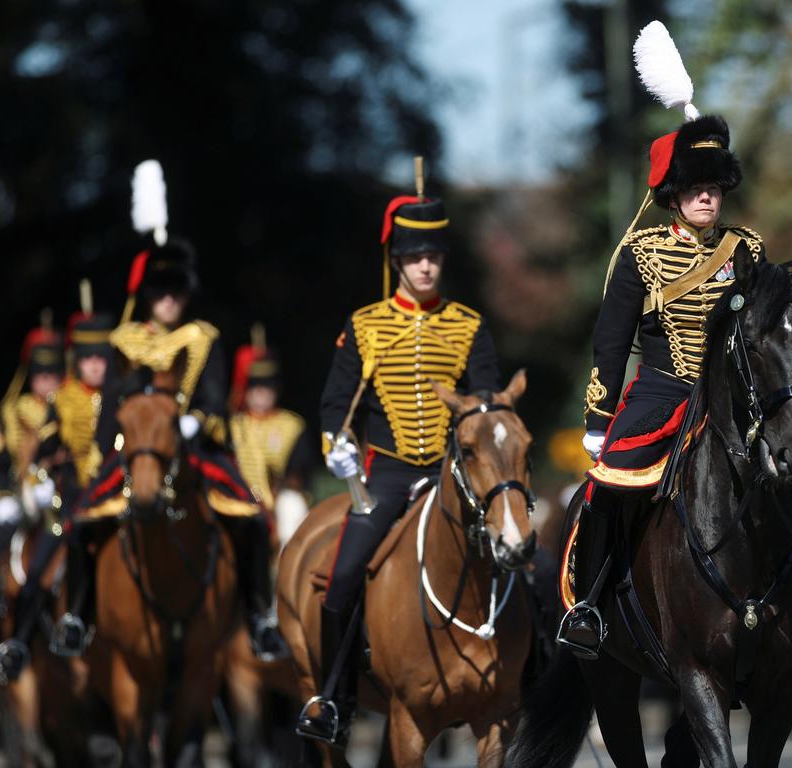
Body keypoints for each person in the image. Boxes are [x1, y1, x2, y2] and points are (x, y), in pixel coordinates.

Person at [557, 112, 792, 658]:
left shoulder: (749, 248)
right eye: (695, 189)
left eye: (714, 188)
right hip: (663, 390)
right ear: (674, 195)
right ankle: (591, 607)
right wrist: (598, 422)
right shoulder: (639, 255)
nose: (707, 199)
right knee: (608, 485)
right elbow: (611, 343)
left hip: (736, 394)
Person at [50, 160, 282, 661]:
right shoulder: (124, 341)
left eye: (177, 290)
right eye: (161, 290)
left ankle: (258, 615)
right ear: (149, 295)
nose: (170, 299)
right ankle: (78, 615)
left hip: (194, 449)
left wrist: (196, 420)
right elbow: (111, 407)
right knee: (80, 522)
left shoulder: (205, 339)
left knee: (253, 519)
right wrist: (106, 454)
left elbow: (216, 398)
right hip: (134, 451)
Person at [296, 189, 499, 746]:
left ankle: (524, 674)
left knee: (514, 560)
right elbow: (337, 403)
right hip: (386, 471)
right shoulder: (365, 326)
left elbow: (485, 404)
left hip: (450, 473)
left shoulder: (467, 325)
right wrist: (336, 444)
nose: (425, 264)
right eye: (414, 256)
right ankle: (334, 698)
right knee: (339, 580)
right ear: (397, 262)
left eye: (432, 255)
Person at [0, 311, 114, 682]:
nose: (94, 366)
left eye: (101, 358)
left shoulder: (122, 397)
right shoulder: (63, 398)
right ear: (78, 360)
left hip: (116, 498)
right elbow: (44, 449)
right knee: (37, 571)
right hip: (73, 500)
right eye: (88, 358)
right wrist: (44, 476)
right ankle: (21, 641)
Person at [0, 322, 63, 663]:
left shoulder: (68, 408)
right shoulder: (14, 410)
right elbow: (3, 463)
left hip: (58, 502)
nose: (47, 381)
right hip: (20, 499)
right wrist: (4, 494)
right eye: (41, 374)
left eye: (53, 374)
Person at [228, 324, 314, 548]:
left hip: (280, 496)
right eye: (256, 387)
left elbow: (300, 471)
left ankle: (288, 572)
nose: (262, 393)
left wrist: (276, 494)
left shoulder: (291, 425)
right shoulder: (233, 426)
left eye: (267, 387)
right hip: (237, 494)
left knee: (292, 508)